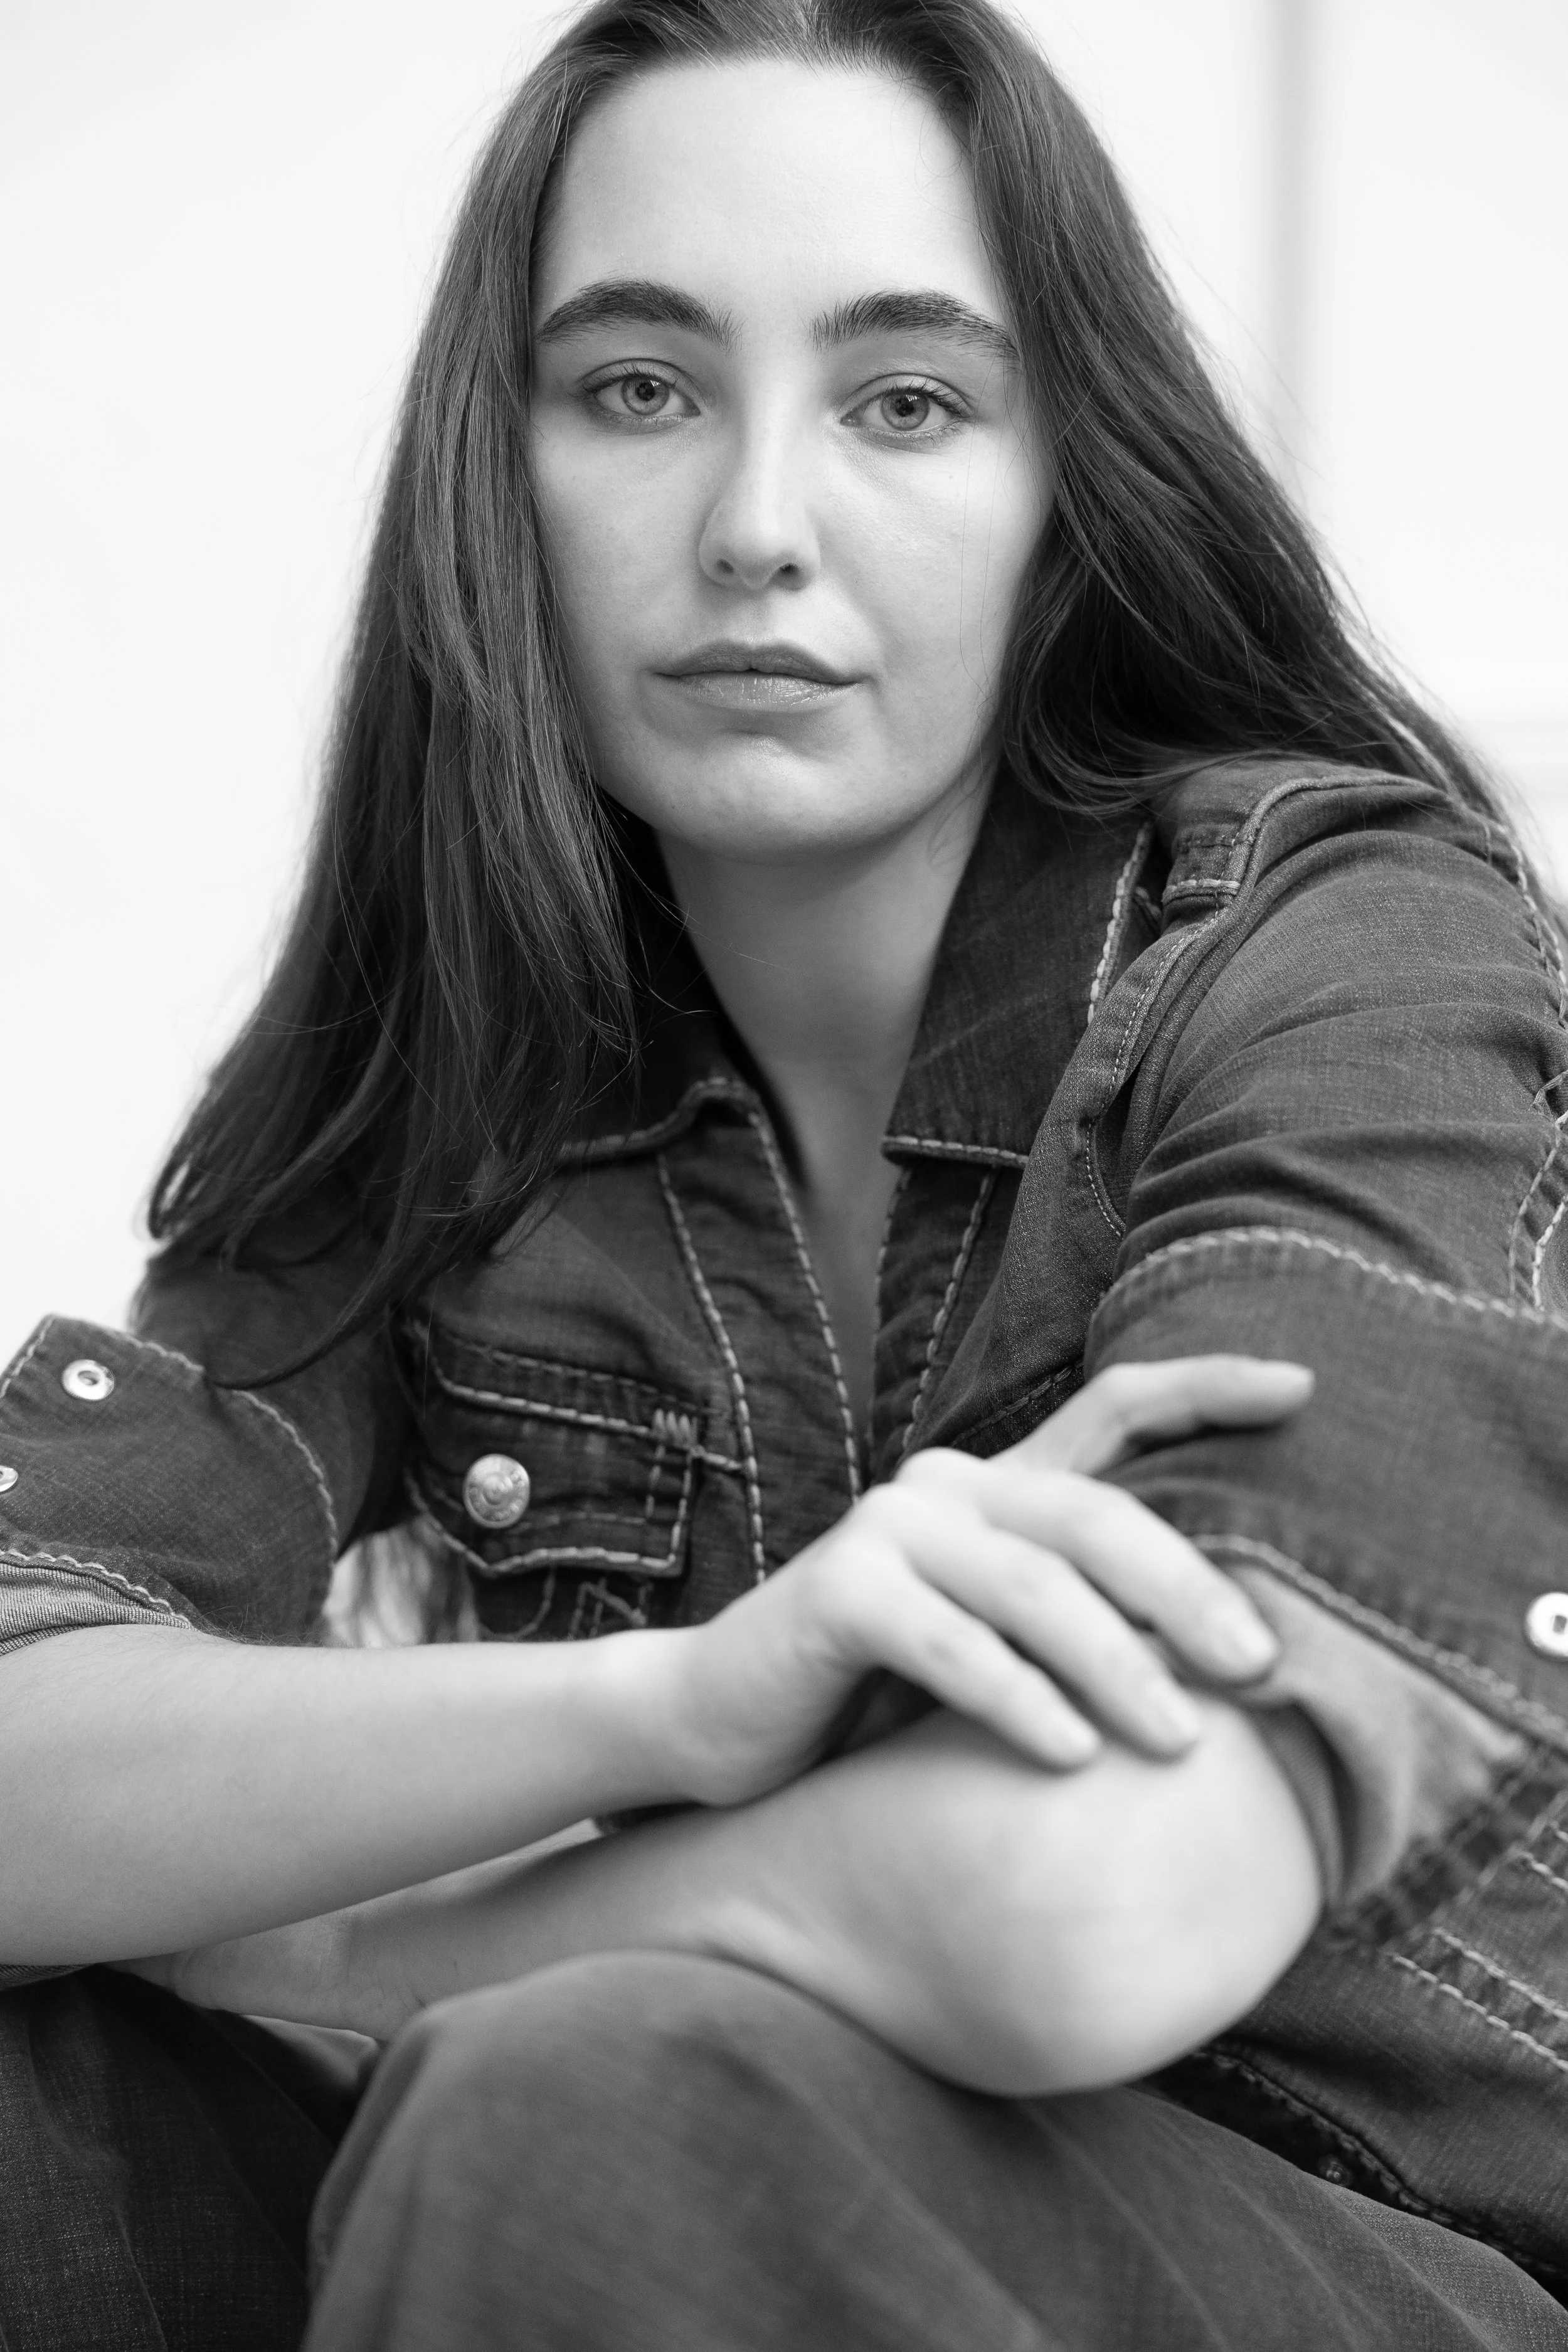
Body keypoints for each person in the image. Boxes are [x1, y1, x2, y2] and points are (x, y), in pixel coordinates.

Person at [3, 0, 1568, 2343]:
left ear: (1070, 493)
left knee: (578, 2091)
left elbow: (1080, 1915)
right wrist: (680, 1706)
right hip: (631, 2137)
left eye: (905, 401)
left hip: (1334, 2249)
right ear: (499, 468)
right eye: (636, 388)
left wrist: (321, 1937)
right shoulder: (476, 1056)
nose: (753, 527)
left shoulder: (1343, 957)